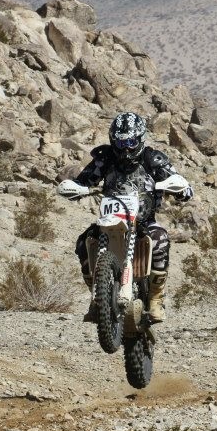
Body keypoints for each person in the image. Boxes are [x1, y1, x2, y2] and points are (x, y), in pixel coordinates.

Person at [63, 112, 193, 323]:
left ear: (140, 139)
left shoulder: (153, 160)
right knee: (83, 242)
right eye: (120, 143)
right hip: (110, 220)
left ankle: (156, 299)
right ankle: (97, 299)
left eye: (131, 142)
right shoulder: (105, 159)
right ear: (113, 141)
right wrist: (75, 188)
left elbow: (183, 187)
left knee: (160, 240)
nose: (126, 149)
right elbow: (84, 181)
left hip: (143, 221)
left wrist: (180, 189)